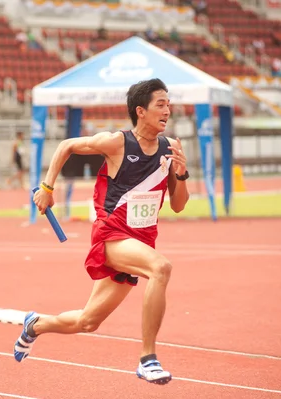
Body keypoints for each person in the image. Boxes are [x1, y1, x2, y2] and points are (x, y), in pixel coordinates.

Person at [13, 79, 189, 385]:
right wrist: (47, 187)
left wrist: (183, 174)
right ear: (141, 111)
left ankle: (35, 325)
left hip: (139, 243)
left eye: (168, 104)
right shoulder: (117, 143)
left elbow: (178, 205)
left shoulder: (169, 148)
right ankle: (148, 359)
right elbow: (66, 145)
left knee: (88, 321)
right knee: (161, 268)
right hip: (112, 237)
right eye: (160, 104)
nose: (167, 110)